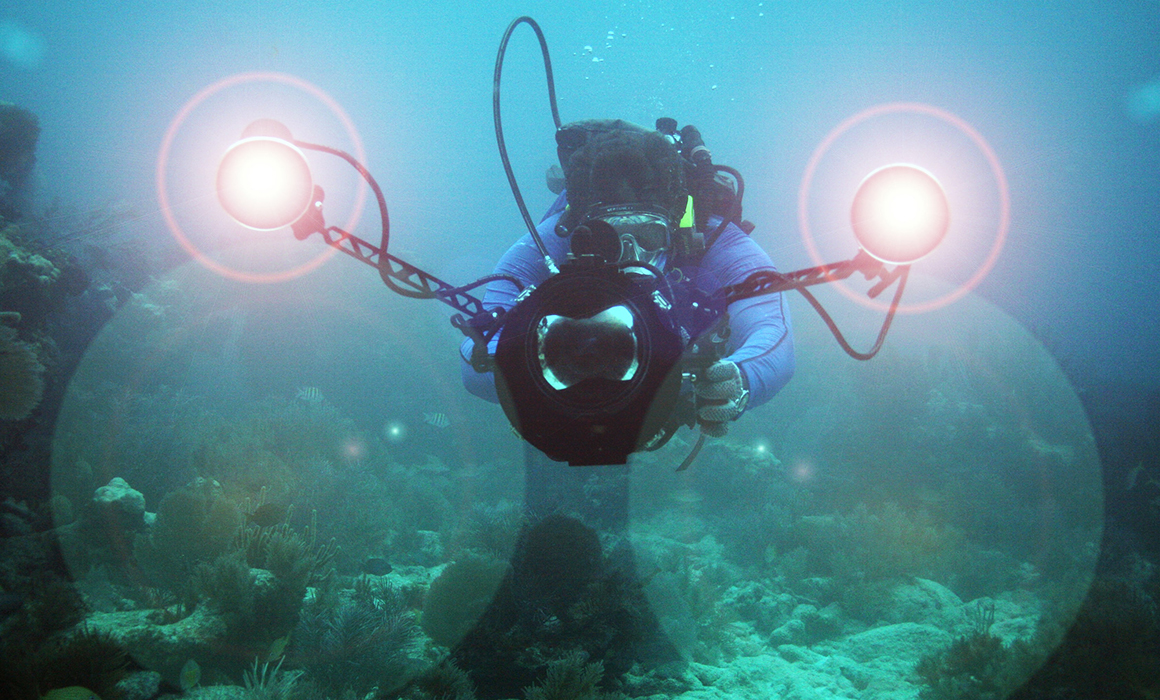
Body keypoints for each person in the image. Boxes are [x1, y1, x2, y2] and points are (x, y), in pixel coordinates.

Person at [460, 119, 794, 521]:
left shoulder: (711, 238)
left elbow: (773, 332)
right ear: (581, 230)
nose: (634, 255)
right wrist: (511, 369)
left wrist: (738, 380)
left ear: (675, 224)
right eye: (613, 238)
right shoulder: (552, 237)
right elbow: (474, 356)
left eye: (651, 237)